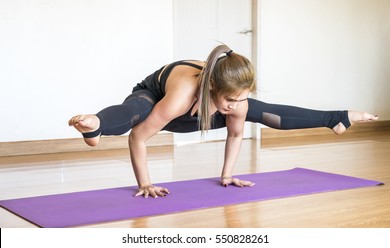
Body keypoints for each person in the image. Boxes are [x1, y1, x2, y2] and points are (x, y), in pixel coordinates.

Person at [68, 44, 378, 198]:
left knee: (262, 111)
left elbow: (234, 136)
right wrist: (145, 184)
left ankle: (336, 118)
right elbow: (138, 136)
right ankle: (96, 124)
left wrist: (227, 174)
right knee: (136, 112)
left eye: (241, 97)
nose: (236, 105)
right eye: (230, 99)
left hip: (201, 109)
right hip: (154, 99)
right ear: (213, 88)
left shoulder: (235, 100)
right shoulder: (181, 94)